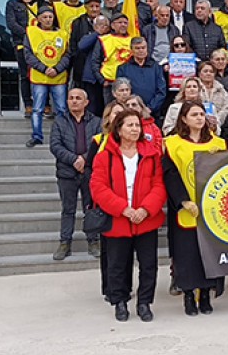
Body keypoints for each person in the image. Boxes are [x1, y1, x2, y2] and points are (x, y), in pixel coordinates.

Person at [90, 109, 166, 322]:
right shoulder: (104, 156)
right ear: (119, 129)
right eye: (130, 125)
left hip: (146, 219)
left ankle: (144, 303)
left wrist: (145, 209)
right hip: (118, 220)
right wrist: (123, 208)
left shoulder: (151, 155)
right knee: (117, 265)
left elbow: (159, 185)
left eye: (137, 125)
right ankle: (120, 302)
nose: (135, 129)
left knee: (148, 265)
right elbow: (98, 187)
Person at [163, 101, 228, 316]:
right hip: (186, 208)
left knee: (210, 254)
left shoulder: (218, 143)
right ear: (183, 119)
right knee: (188, 255)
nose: (199, 118)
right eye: (194, 114)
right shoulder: (173, 144)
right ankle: (189, 295)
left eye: (202, 114)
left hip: (213, 211)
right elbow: (170, 174)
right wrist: (183, 200)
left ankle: (207, 294)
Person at [49, 88, 102, 260]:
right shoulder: (59, 121)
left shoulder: (96, 122)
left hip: (89, 172)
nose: (74, 101)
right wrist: (74, 160)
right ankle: (65, 243)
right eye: (71, 98)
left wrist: (85, 160)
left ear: (86, 102)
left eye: (78, 98)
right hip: (66, 172)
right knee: (68, 209)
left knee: (91, 209)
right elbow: (55, 146)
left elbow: (100, 144)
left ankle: (93, 241)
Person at [85, 100, 127, 300]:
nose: (118, 116)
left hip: (127, 201)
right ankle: (110, 289)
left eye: (122, 113)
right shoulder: (98, 140)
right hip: (106, 201)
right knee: (109, 251)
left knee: (126, 251)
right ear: (108, 117)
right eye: (115, 112)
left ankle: (124, 287)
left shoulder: (130, 142)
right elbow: (89, 171)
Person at [23, 6, 72, 147]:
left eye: (50, 17)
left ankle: (63, 137)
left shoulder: (63, 34)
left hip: (59, 77)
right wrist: (44, 69)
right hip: (39, 77)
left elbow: (67, 54)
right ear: (38, 19)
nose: (48, 20)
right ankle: (37, 136)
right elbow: (28, 55)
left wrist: (57, 68)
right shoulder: (31, 32)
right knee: (37, 109)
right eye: (44, 17)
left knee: (62, 109)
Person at [6, 0, 48, 116]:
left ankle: (45, 104)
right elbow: (12, 24)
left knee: (43, 73)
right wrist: (30, 35)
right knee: (25, 75)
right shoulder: (12, 4)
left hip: (42, 44)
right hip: (22, 44)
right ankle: (28, 105)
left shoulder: (41, 3)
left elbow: (49, 21)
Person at [90, 13, 133, 107]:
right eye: (120, 22)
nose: (123, 25)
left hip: (128, 84)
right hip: (109, 83)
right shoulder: (103, 39)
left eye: (125, 23)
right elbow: (95, 61)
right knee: (111, 111)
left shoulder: (133, 40)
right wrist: (102, 80)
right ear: (112, 25)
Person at [116, 37, 166, 115]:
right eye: (137, 48)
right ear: (131, 50)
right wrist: (133, 107)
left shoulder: (156, 67)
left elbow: (161, 91)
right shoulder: (123, 69)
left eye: (143, 48)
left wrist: (150, 108)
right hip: (130, 112)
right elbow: (121, 92)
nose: (141, 50)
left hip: (153, 113)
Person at [77, 15, 111, 113]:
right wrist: (97, 34)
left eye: (105, 25)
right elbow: (81, 46)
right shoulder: (90, 36)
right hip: (91, 78)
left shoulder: (111, 38)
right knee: (91, 107)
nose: (103, 27)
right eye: (100, 25)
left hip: (107, 77)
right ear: (94, 26)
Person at [69, 0, 102, 88]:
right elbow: (73, 44)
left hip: (100, 66)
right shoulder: (78, 22)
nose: (94, 9)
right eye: (91, 6)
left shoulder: (106, 22)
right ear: (85, 7)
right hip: (82, 65)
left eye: (97, 6)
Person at [143, 5, 181, 71]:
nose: (165, 18)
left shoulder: (174, 30)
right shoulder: (147, 29)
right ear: (156, 16)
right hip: (152, 63)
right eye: (162, 15)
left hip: (170, 64)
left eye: (167, 15)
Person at [197, 61, 228, 126]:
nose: (208, 73)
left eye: (211, 71)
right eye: (205, 71)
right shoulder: (194, 87)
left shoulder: (221, 90)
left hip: (217, 125)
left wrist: (216, 120)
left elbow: (226, 108)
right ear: (199, 74)